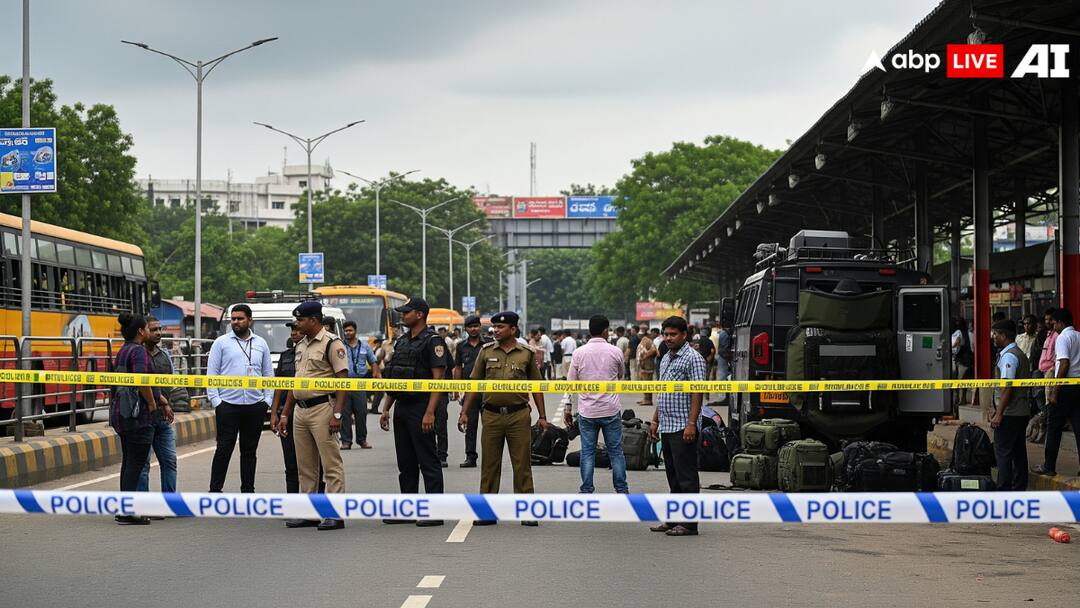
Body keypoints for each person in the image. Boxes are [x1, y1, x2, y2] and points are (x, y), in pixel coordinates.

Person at [458, 311, 548, 527]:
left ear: (513, 330)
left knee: (522, 464)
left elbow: (537, 387)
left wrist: (542, 416)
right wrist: (464, 412)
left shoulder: (526, 354)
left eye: (500, 327)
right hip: (491, 415)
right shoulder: (486, 351)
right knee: (489, 465)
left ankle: (527, 511)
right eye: (495, 327)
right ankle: (486, 512)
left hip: (518, 415)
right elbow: (474, 384)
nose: (495, 331)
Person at [276, 301, 349, 531]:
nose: (296, 324)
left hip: (323, 409)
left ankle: (335, 513)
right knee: (305, 466)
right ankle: (310, 512)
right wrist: (285, 413)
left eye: (300, 320)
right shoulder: (301, 345)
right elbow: (296, 382)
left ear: (313, 320)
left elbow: (343, 382)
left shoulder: (332, 343)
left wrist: (337, 413)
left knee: (331, 464)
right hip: (301, 410)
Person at [378, 297, 449, 526]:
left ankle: (434, 511)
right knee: (406, 462)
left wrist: (430, 413)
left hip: (421, 406)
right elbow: (396, 377)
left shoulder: (433, 341)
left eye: (406, 312)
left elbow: (438, 381)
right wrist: (386, 408)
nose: (402, 315)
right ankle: (408, 508)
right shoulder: (402, 342)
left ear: (419, 314)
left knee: (427, 459)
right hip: (402, 406)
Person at [648, 316, 706, 537]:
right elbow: (663, 392)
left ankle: (689, 524)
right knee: (673, 476)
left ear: (684, 335)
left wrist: (691, 424)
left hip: (684, 425)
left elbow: (696, 393)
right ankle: (673, 519)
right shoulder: (665, 358)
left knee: (687, 476)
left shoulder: (694, 358)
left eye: (673, 334)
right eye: (666, 334)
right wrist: (655, 420)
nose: (668, 338)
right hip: (667, 425)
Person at [206, 304, 274, 494]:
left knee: (249, 451)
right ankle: (215, 490)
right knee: (223, 449)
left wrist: (266, 400)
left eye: (240, 318)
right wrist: (216, 402)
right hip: (228, 405)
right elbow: (212, 374)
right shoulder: (221, 343)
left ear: (249, 320)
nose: (235, 322)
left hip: (254, 405)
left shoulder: (261, 343)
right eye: (233, 319)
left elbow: (268, 375)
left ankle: (248, 491)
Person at [565, 315, 628, 494]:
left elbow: (570, 383)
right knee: (616, 451)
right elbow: (621, 375)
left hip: (587, 412)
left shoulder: (579, 353)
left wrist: (568, 409)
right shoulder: (615, 351)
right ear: (605, 330)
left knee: (587, 452)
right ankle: (622, 489)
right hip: (611, 409)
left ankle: (586, 489)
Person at [110, 313, 161, 525]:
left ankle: (124, 509)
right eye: (148, 329)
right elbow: (142, 380)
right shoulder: (139, 351)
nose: (150, 332)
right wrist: (151, 402)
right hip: (137, 415)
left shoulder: (123, 350)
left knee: (128, 461)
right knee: (136, 464)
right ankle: (128, 512)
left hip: (122, 413)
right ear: (141, 331)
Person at [138, 316, 186, 494]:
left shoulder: (165, 355)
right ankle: (144, 506)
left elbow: (170, 382)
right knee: (143, 465)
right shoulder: (137, 355)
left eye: (160, 329)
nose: (158, 333)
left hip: (163, 419)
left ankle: (169, 502)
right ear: (143, 332)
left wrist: (169, 404)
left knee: (169, 461)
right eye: (154, 329)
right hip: (142, 419)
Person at [1033, 308, 1080, 476]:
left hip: (1065, 388)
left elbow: (1064, 363)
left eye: (1053, 322)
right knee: (1078, 428)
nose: (1052, 325)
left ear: (1060, 322)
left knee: (1054, 428)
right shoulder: (1078, 336)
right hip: (1078, 386)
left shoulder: (1062, 338)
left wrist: (1055, 390)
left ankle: (1049, 467)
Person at [989, 319, 1030, 491]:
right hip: (1020, 412)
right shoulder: (1016, 352)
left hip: (1010, 414)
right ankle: (1019, 489)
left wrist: (999, 413)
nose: (993, 337)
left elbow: (1008, 387)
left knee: (1003, 454)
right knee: (1019, 453)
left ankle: (1004, 491)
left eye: (996, 334)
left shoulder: (1009, 356)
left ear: (1004, 335)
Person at [455, 315, 491, 468]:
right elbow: (458, 368)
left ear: (480, 327)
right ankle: (470, 456)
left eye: (476, 326)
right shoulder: (461, 346)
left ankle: (490, 457)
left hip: (488, 390)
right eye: (470, 326)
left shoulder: (489, 345)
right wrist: (456, 388)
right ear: (466, 329)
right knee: (470, 424)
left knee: (490, 426)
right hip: (469, 392)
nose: (474, 329)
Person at [340, 320, 380, 450]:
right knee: (345, 414)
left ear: (355, 331)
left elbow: (373, 362)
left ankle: (362, 440)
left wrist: (376, 375)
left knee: (361, 413)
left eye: (350, 330)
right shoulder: (340, 346)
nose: (347, 333)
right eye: (345, 331)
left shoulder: (365, 346)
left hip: (360, 384)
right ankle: (346, 441)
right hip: (344, 384)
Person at [637, 327, 658, 406]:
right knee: (644, 382)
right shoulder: (644, 340)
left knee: (647, 383)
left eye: (640, 334)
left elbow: (653, 350)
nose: (639, 335)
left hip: (647, 365)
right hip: (644, 365)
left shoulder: (647, 341)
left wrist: (645, 357)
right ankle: (645, 398)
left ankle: (648, 400)